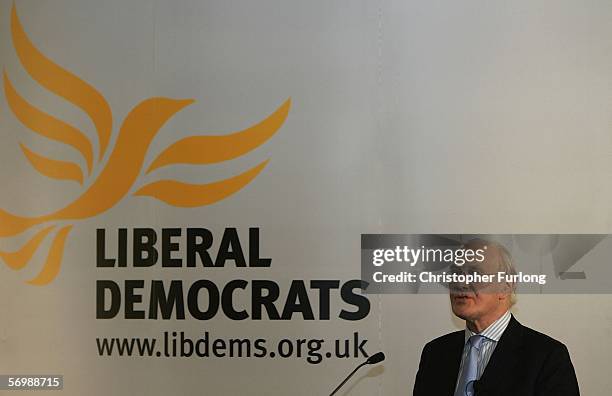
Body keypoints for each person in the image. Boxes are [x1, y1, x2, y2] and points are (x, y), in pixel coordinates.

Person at [413, 239, 580, 396]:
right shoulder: (435, 353)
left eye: (475, 274)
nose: (461, 282)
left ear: (506, 287)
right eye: (455, 273)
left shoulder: (547, 357)